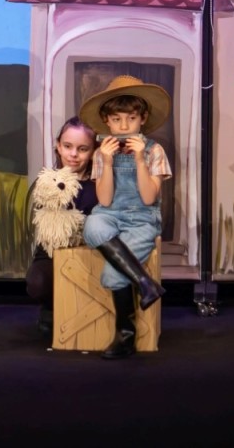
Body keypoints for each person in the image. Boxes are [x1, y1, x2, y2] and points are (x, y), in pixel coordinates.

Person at [79, 75, 172, 360]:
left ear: (142, 119)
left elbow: (149, 197)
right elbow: (105, 201)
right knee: (92, 225)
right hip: (111, 215)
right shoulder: (101, 153)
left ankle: (126, 335)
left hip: (142, 219)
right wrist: (106, 162)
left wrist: (140, 160)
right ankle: (146, 283)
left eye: (131, 119)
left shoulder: (154, 151)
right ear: (106, 121)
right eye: (117, 119)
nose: (123, 126)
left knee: (112, 274)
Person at [26, 116, 98, 336]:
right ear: (58, 146)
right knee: (38, 283)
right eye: (67, 146)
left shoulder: (100, 182)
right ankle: (51, 308)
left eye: (82, 149)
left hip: (91, 250)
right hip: (52, 252)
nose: (73, 154)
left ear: (93, 151)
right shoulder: (49, 182)